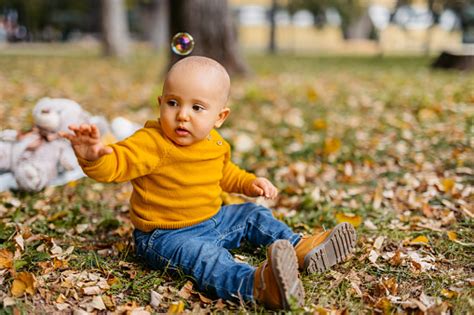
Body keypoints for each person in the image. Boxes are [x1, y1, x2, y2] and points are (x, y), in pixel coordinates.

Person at [60, 56, 357, 310]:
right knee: (207, 259)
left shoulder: (214, 143)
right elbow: (116, 165)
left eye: (197, 108)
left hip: (214, 219)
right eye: (173, 103)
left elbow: (225, 174)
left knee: (252, 214)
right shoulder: (150, 142)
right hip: (166, 236)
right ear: (160, 103)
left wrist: (250, 183)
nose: (182, 116)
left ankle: (299, 248)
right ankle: (259, 285)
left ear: (220, 117)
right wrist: (92, 157)